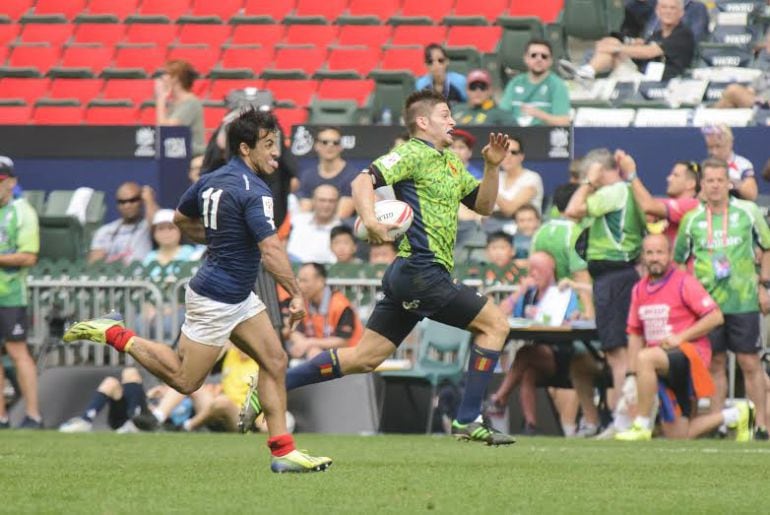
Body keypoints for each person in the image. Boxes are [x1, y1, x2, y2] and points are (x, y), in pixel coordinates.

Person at [63, 108, 331, 473]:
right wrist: (296, 294)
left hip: (237, 296)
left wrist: (219, 238)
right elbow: (270, 249)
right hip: (216, 298)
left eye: (276, 145)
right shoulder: (256, 190)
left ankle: (282, 452)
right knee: (186, 380)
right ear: (245, 148)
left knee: (276, 361)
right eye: (268, 146)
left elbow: (180, 218)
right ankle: (114, 332)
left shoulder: (213, 178)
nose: (275, 154)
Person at [244, 90, 517, 445]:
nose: (453, 121)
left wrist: (493, 167)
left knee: (363, 358)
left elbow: (483, 205)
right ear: (423, 121)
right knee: (496, 324)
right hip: (422, 270)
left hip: (409, 274)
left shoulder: (451, 162)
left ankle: (271, 383)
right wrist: (370, 219)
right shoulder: (411, 153)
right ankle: (467, 418)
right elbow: (361, 181)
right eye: (446, 114)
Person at [615, 234, 755, 441]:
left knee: (645, 358)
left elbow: (715, 317)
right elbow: (635, 333)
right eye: (649, 253)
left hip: (690, 356)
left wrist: (681, 337)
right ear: (643, 257)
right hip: (663, 363)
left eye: (660, 252)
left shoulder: (684, 282)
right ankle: (737, 414)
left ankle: (642, 425)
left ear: (670, 255)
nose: (655, 258)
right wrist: (631, 376)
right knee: (679, 435)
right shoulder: (639, 289)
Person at [674, 158, 770, 441]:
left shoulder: (748, 211)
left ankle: (761, 425)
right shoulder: (691, 220)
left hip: (744, 301)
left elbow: (766, 247)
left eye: (720, 180)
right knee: (715, 364)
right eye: (710, 181)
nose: (715, 186)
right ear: (701, 185)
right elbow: (680, 262)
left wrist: (764, 286)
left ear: (729, 183)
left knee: (749, 362)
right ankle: (719, 423)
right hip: (707, 307)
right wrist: (685, 301)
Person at [564, 148, 645, 436]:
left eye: (592, 173)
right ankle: (624, 417)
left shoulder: (615, 191)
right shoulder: (616, 193)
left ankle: (624, 419)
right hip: (613, 277)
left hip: (615, 275)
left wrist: (588, 183)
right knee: (617, 351)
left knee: (618, 353)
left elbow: (572, 210)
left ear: (599, 169)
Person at [490, 252, 601, 437]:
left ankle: (499, 398)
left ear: (551, 271)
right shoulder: (529, 294)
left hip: (563, 354)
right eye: (530, 269)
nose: (533, 273)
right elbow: (499, 314)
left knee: (525, 353)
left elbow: (573, 320)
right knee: (528, 371)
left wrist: (573, 317)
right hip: (540, 357)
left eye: (538, 269)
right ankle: (531, 427)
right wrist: (520, 291)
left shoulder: (564, 293)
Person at [0, 157, 42, 429]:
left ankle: (33, 415)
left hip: (11, 294)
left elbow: (28, 256)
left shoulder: (22, 211)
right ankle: (1, 417)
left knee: (18, 352)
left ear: (12, 182)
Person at [559, 0, 694, 82]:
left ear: (681, 13)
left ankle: (586, 71)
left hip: (665, 83)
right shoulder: (656, 34)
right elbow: (643, 48)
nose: (668, 12)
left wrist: (617, 48)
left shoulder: (683, 33)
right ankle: (587, 71)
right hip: (642, 75)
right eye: (664, 8)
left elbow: (650, 52)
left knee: (613, 47)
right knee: (610, 43)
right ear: (658, 11)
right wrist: (615, 45)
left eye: (672, 8)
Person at [530, 183, 595, 320]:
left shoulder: (540, 232)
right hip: (575, 310)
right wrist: (589, 312)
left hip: (546, 307)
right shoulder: (576, 233)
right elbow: (580, 274)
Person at [140, 209, 200, 340]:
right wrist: (148, 307)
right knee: (139, 324)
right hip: (152, 308)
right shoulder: (149, 258)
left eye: (171, 228)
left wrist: (172, 308)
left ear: (180, 230)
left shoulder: (191, 254)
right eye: (160, 229)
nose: (166, 233)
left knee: (166, 326)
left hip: (182, 308)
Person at [284, 263, 363, 360]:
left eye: (304, 281)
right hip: (319, 354)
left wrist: (309, 343)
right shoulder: (303, 302)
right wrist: (302, 342)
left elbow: (343, 342)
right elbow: (291, 330)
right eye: (299, 281)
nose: (299, 285)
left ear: (320, 281)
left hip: (350, 359)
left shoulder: (340, 305)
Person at [625, 158, 700, 245]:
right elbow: (647, 213)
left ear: (690, 184)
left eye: (675, 175)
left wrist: (631, 174)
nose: (669, 179)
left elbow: (648, 206)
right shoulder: (667, 206)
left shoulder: (692, 205)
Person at [499, 39, 571, 127]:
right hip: (514, 134)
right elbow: (501, 115)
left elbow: (564, 121)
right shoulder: (515, 82)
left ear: (550, 61)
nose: (539, 59)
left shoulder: (557, 85)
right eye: (534, 55)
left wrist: (540, 115)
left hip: (543, 135)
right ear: (526, 59)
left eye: (544, 56)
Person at [482, 137, 544, 235]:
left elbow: (510, 209)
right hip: (493, 227)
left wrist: (489, 187)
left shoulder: (532, 177)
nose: (508, 156)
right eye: (504, 152)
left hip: (524, 231)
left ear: (522, 156)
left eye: (513, 152)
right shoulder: (496, 177)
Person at [58, 367, 149, 433]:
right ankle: (86, 420)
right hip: (125, 417)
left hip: (146, 419)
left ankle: (133, 423)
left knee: (132, 373)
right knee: (111, 381)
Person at [88, 181, 157, 265]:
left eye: (133, 200)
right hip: (112, 276)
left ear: (141, 201)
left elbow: (156, 223)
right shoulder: (105, 231)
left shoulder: (147, 226)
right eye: (122, 202)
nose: (127, 205)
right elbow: (94, 265)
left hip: (140, 277)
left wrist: (149, 200)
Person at [296, 126, 358, 219]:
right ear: (316, 145)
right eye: (325, 142)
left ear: (341, 147)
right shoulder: (308, 176)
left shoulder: (353, 176)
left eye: (335, 142)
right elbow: (304, 215)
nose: (330, 145)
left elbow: (341, 218)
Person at [155, 60, 205, 157]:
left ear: (176, 78)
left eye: (166, 74)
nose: (162, 78)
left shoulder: (191, 103)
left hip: (192, 156)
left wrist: (160, 98)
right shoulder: (173, 104)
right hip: (176, 155)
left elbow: (166, 131)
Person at [286, 184, 341, 264]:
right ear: (313, 201)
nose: (326, 205)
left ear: (337, 203)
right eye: (322, 200)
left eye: (331, 201)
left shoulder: (341, 228)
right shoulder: (296, 221)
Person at [701, 124, 757, 201]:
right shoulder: (705, 167)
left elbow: (751, 195)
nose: (714, 152)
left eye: (718, 146)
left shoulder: (742, 164)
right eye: (710, 147)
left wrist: (728, 180)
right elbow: (701, 197)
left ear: (730, 143)